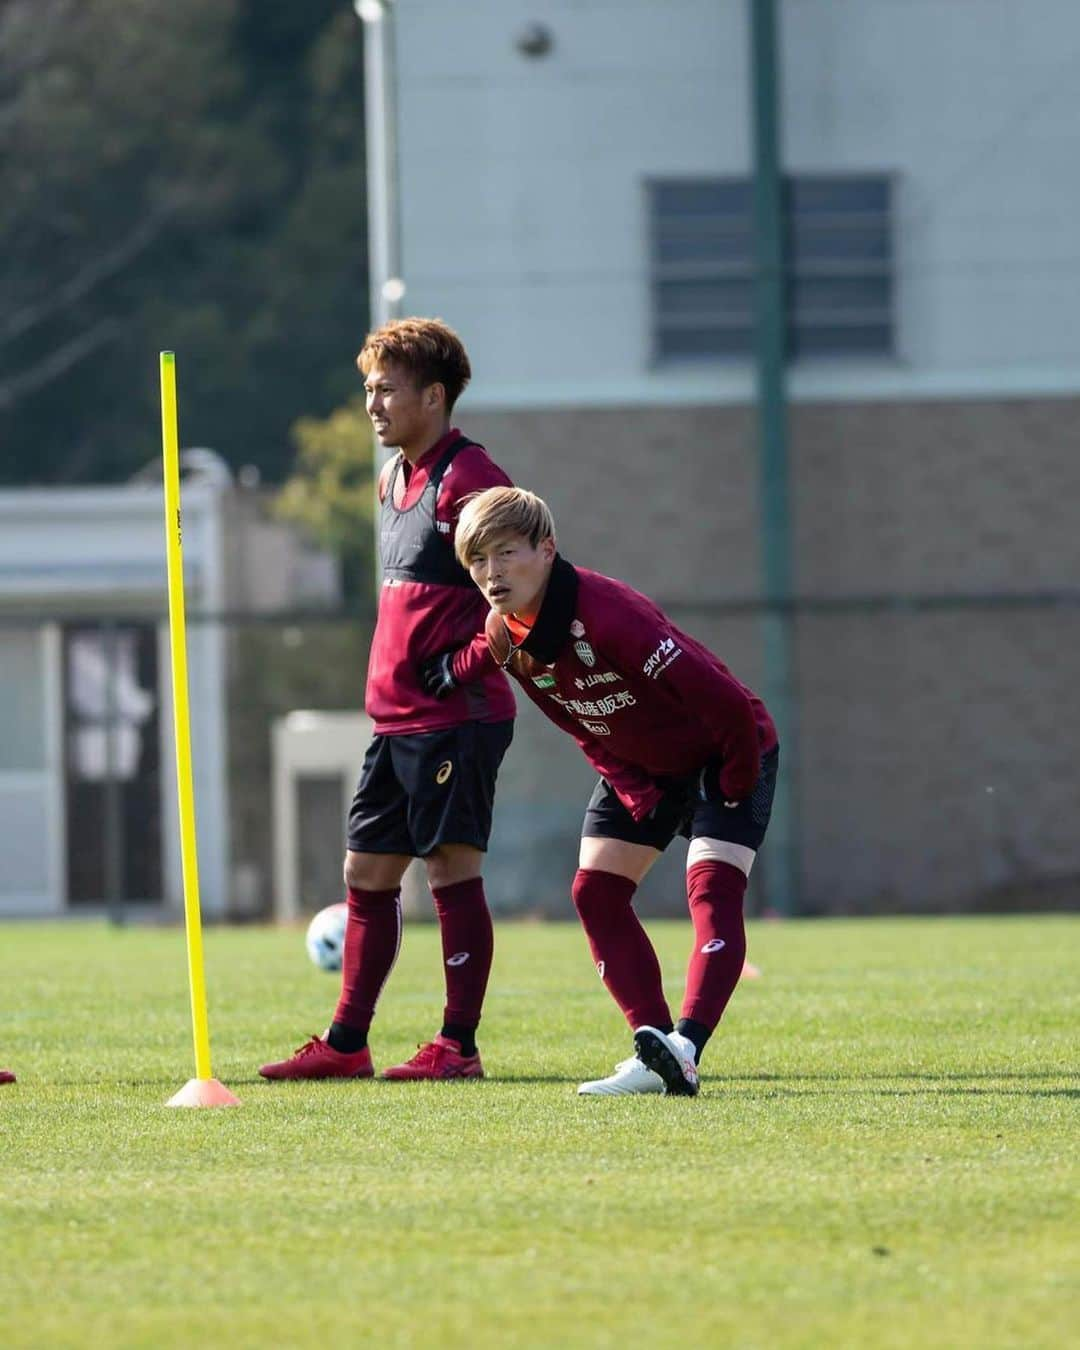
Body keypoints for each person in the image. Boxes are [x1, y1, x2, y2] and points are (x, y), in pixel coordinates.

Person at [453, 486, 779, 1097]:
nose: (491, 574)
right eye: (477, 560)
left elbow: (724, 702)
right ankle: (656, 1053)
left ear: (546, 550)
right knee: (595, 893)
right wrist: (635, 788)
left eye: (505, 554)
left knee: (709, 886)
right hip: (640, 765)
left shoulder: (609, 615)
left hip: (726, 749)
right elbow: (578, 722)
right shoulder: (504, 636)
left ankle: (687, 1044)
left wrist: (733, 783)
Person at [260, 318, 516, 1083]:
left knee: (450, 875)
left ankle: (458, 1047)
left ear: (433, 397)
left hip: (456, 720)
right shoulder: (391, 479)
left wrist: (462, 666)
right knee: (366, 876)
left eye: (387, 390)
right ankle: (347, 1044)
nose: (372, 404)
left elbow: (526, 588)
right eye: (368, 389)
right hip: (395, 721)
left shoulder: (470, 479)